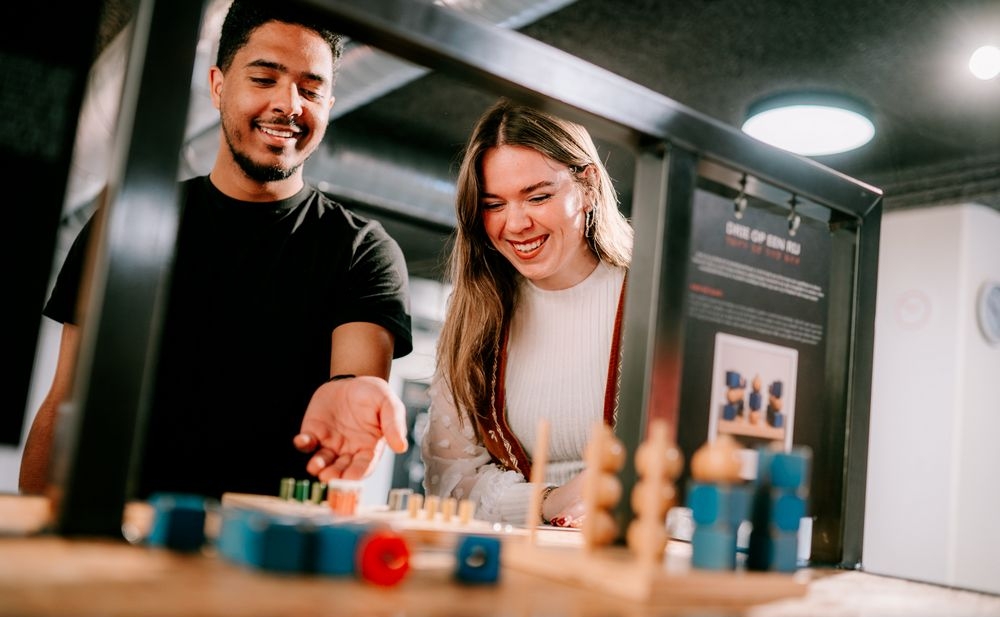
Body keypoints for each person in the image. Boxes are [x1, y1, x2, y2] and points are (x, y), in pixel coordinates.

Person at [19, 0, 412, 500]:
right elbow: (66, 399)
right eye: (264, 78)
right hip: (120, 529)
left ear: (329, 106)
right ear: (218, 86)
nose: (289, 104)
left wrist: (355, 390)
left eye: (311, 89)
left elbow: (351, 384)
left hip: (268, 548)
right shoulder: (128, 220)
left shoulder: (362, 250)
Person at [420, 99, 633, 527]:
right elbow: (448, 482)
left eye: (537, 196)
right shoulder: (475, 312)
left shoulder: (654, 295)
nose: (515, 224)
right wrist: (552, 501)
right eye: (494, 204)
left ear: (589, 187)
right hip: (522, 564)